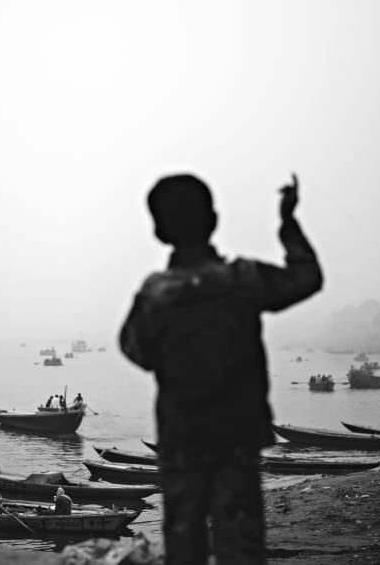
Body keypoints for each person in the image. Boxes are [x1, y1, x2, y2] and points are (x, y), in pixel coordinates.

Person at [120, 173, 322, 565]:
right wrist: (288, 222)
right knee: (241, 547)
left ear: (159, 231)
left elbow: (135, 349)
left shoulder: (155, 294)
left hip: (181, 443)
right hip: (237, 439)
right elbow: (307, 277)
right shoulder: (243, 280)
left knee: (184, 546)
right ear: (213, 220)